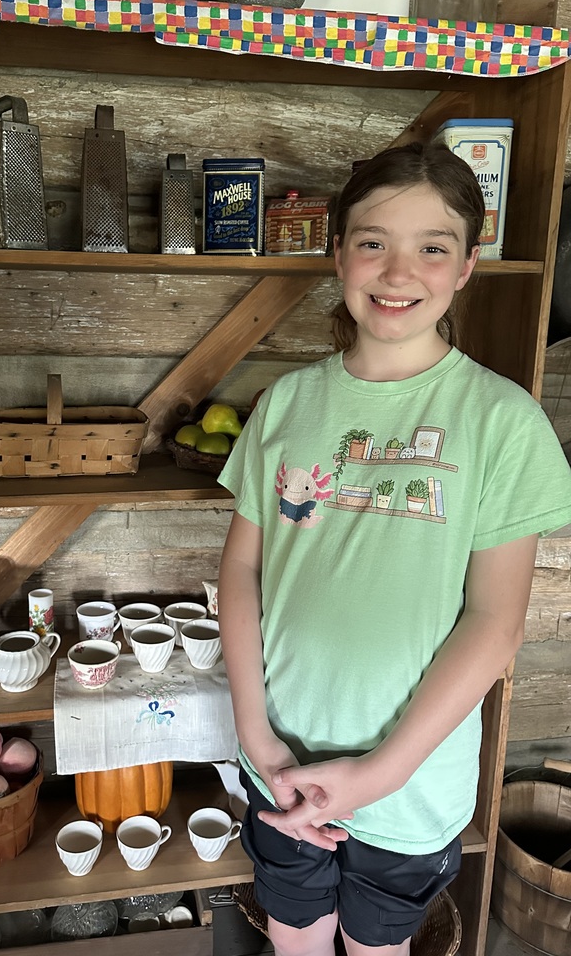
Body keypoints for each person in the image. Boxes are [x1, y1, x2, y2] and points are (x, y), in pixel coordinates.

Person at [217, 140, 571, 956]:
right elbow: (240, 569)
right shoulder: (287, 401)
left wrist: (379, 775)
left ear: (467, 266)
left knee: (380, 948)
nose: (398, 269)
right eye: (373, 242)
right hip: (279, 758)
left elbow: (495, 624)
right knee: (295, 934)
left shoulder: (500, 419)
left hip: (413, 784)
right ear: (338, 253)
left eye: (432, 247)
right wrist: (256, 734)